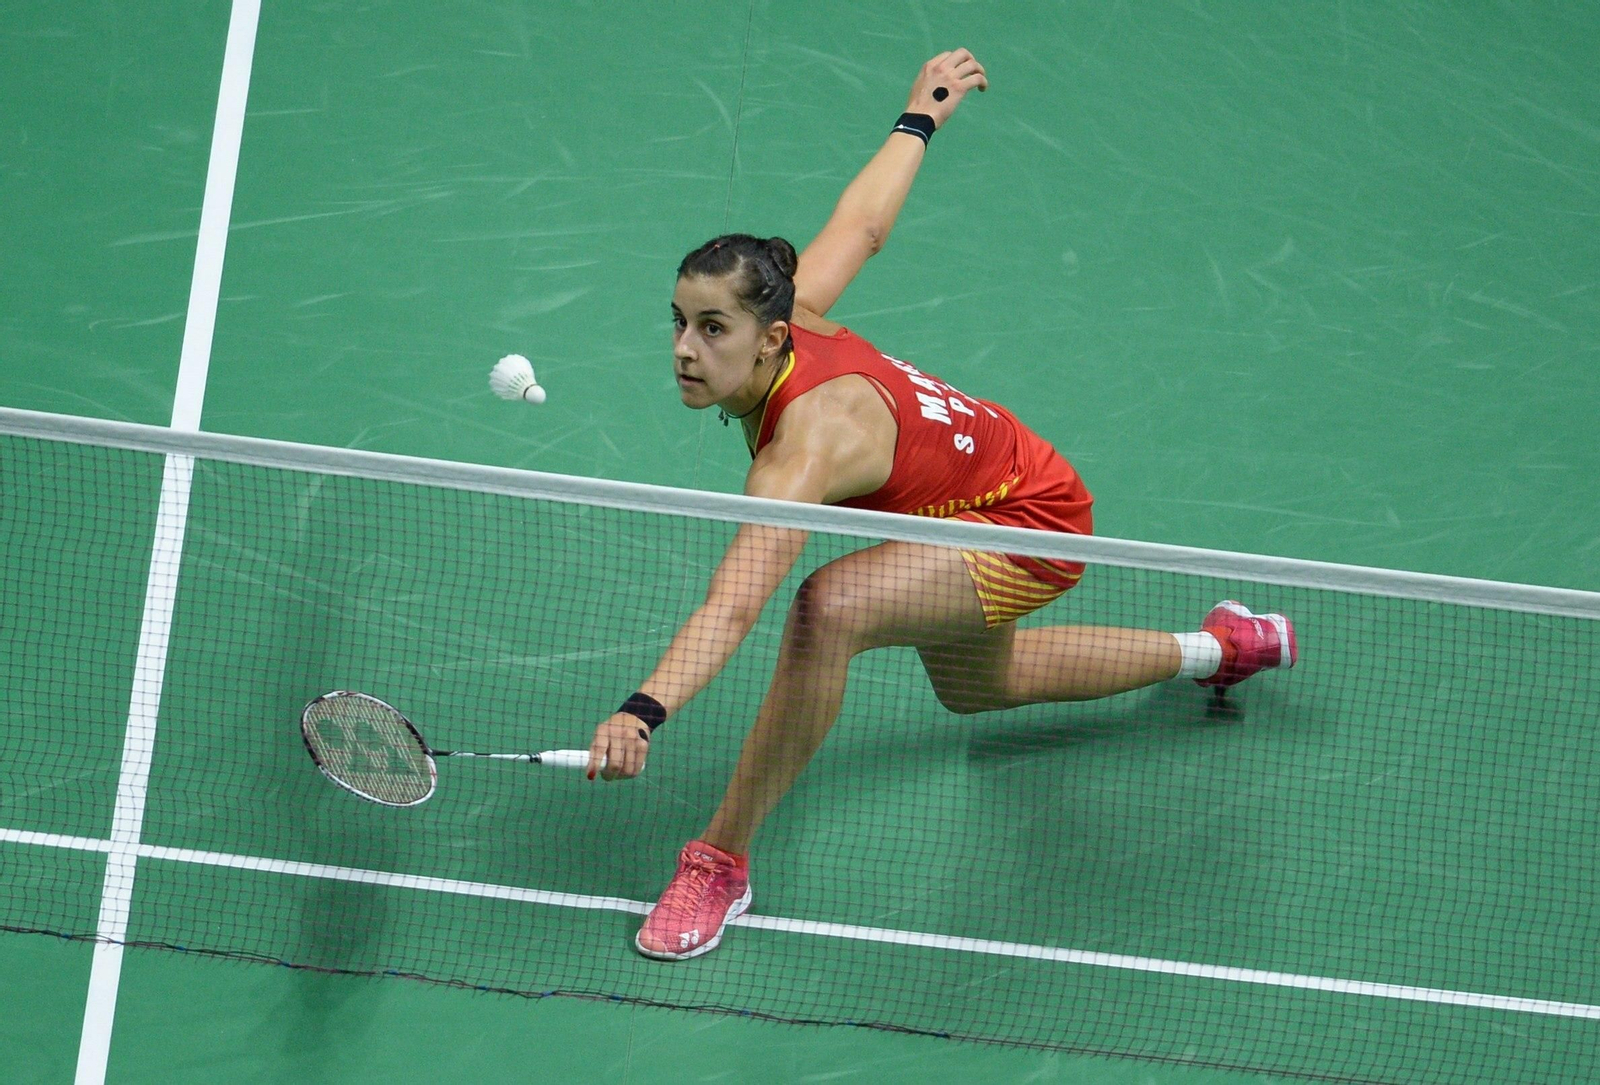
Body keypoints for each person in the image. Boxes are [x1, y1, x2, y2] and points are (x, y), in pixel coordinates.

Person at [586, 48, 1297, 961]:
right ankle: (1225, 645)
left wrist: (642, 711)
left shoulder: (802, 452)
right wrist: (919, 117)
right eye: (678, 322)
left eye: (711, 328)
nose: (685, 348)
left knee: (826, 608)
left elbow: (735, 603)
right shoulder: (793, 316)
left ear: (769, 339)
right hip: (982, 491)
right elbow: (862, 226)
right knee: (980, 687)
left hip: (1027, 519)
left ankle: (720, 859)